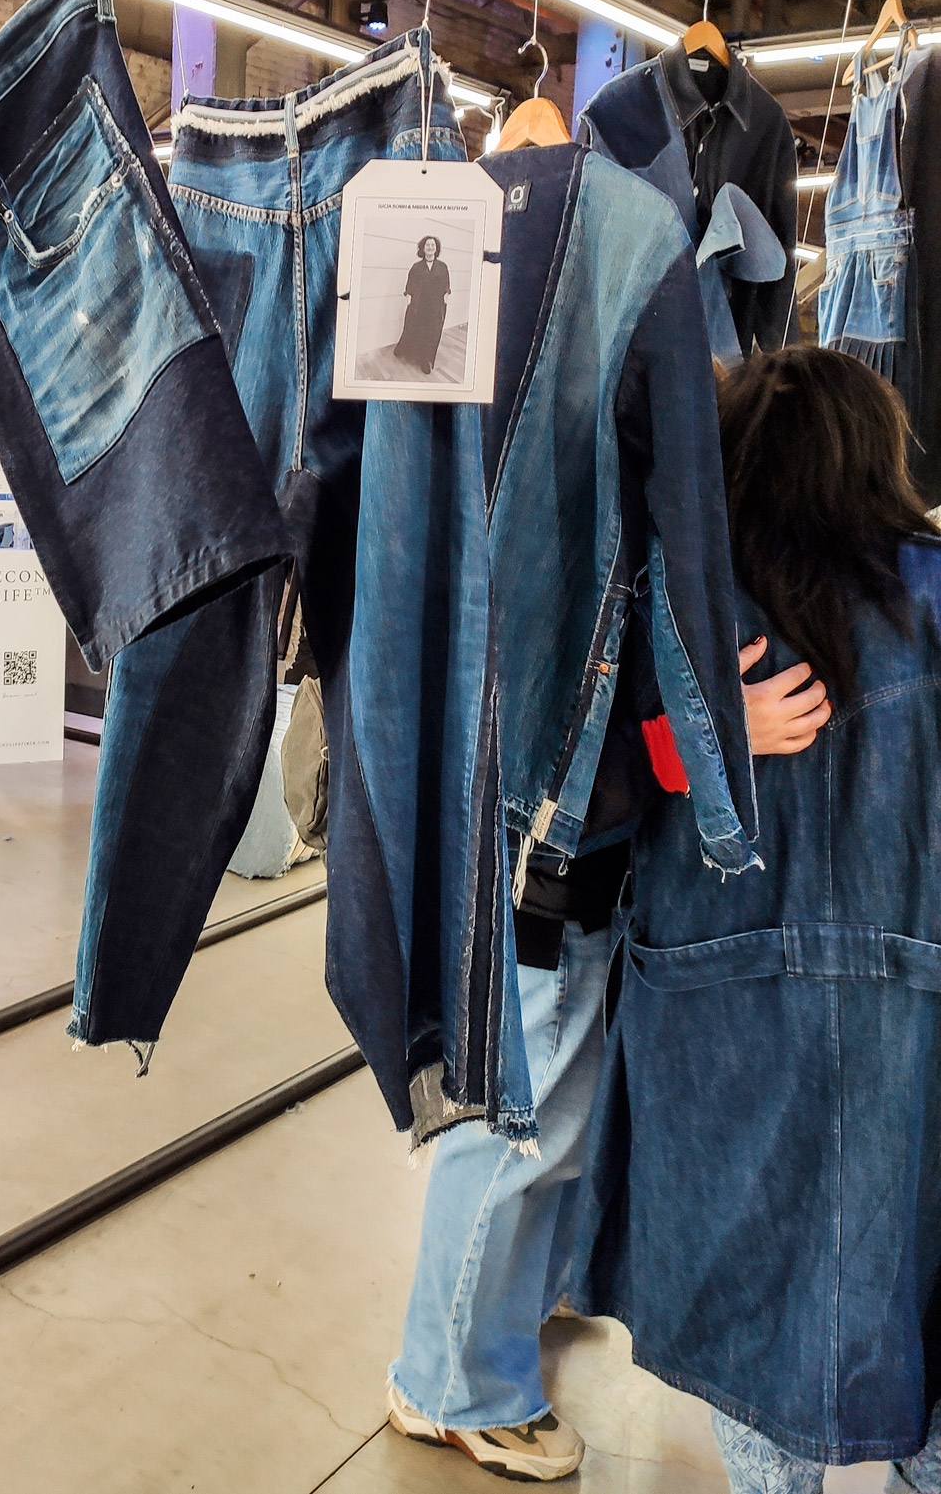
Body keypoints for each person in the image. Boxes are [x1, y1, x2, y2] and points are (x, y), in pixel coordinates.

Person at [385, 512, 831, 1480]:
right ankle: (449, 1384)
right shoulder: (562, 499)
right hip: (544, 876)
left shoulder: (609, 489)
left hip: (582, 872)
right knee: (515, 1132)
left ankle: (509, 1308)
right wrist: (701, 739)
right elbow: (542, 734)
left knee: (558, 1126)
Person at [568, 347, 941, 1493]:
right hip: (912, 1024)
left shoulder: (672, 604)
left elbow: (560, 807)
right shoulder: (931, 596)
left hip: (713, 1032)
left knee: (751, 1329)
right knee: (921, 1299)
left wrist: (690, 740)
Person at [394, 234, 451, 374]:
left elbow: (446, 286)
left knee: (431, 333)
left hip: (435, 306)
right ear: (423, 248)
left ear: (436, 248)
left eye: (433, 245)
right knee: (413, 329)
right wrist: (409, 302)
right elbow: (410, 286)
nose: (430, 247)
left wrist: (445, 300)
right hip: (418, 306)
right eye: (427, 245)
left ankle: (425, 360)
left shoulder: (442, 267)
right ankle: (404, 349)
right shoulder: (416, 267)